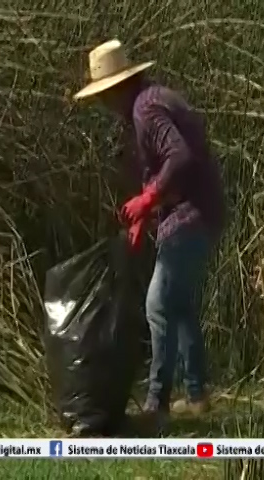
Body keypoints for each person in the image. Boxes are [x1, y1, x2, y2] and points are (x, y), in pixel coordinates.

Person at [73, 40, 225, 428]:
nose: (106, 106)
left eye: (106, 96)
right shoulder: (153, 99)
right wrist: (146, 211)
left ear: (118, 88)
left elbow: (179, 156)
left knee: (158, 303)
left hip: (191, 214)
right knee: (181, 304)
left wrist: (149, 199)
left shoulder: (145, 109)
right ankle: (196, 395)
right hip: (200, 209)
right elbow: (167, 165)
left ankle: (157, 404)